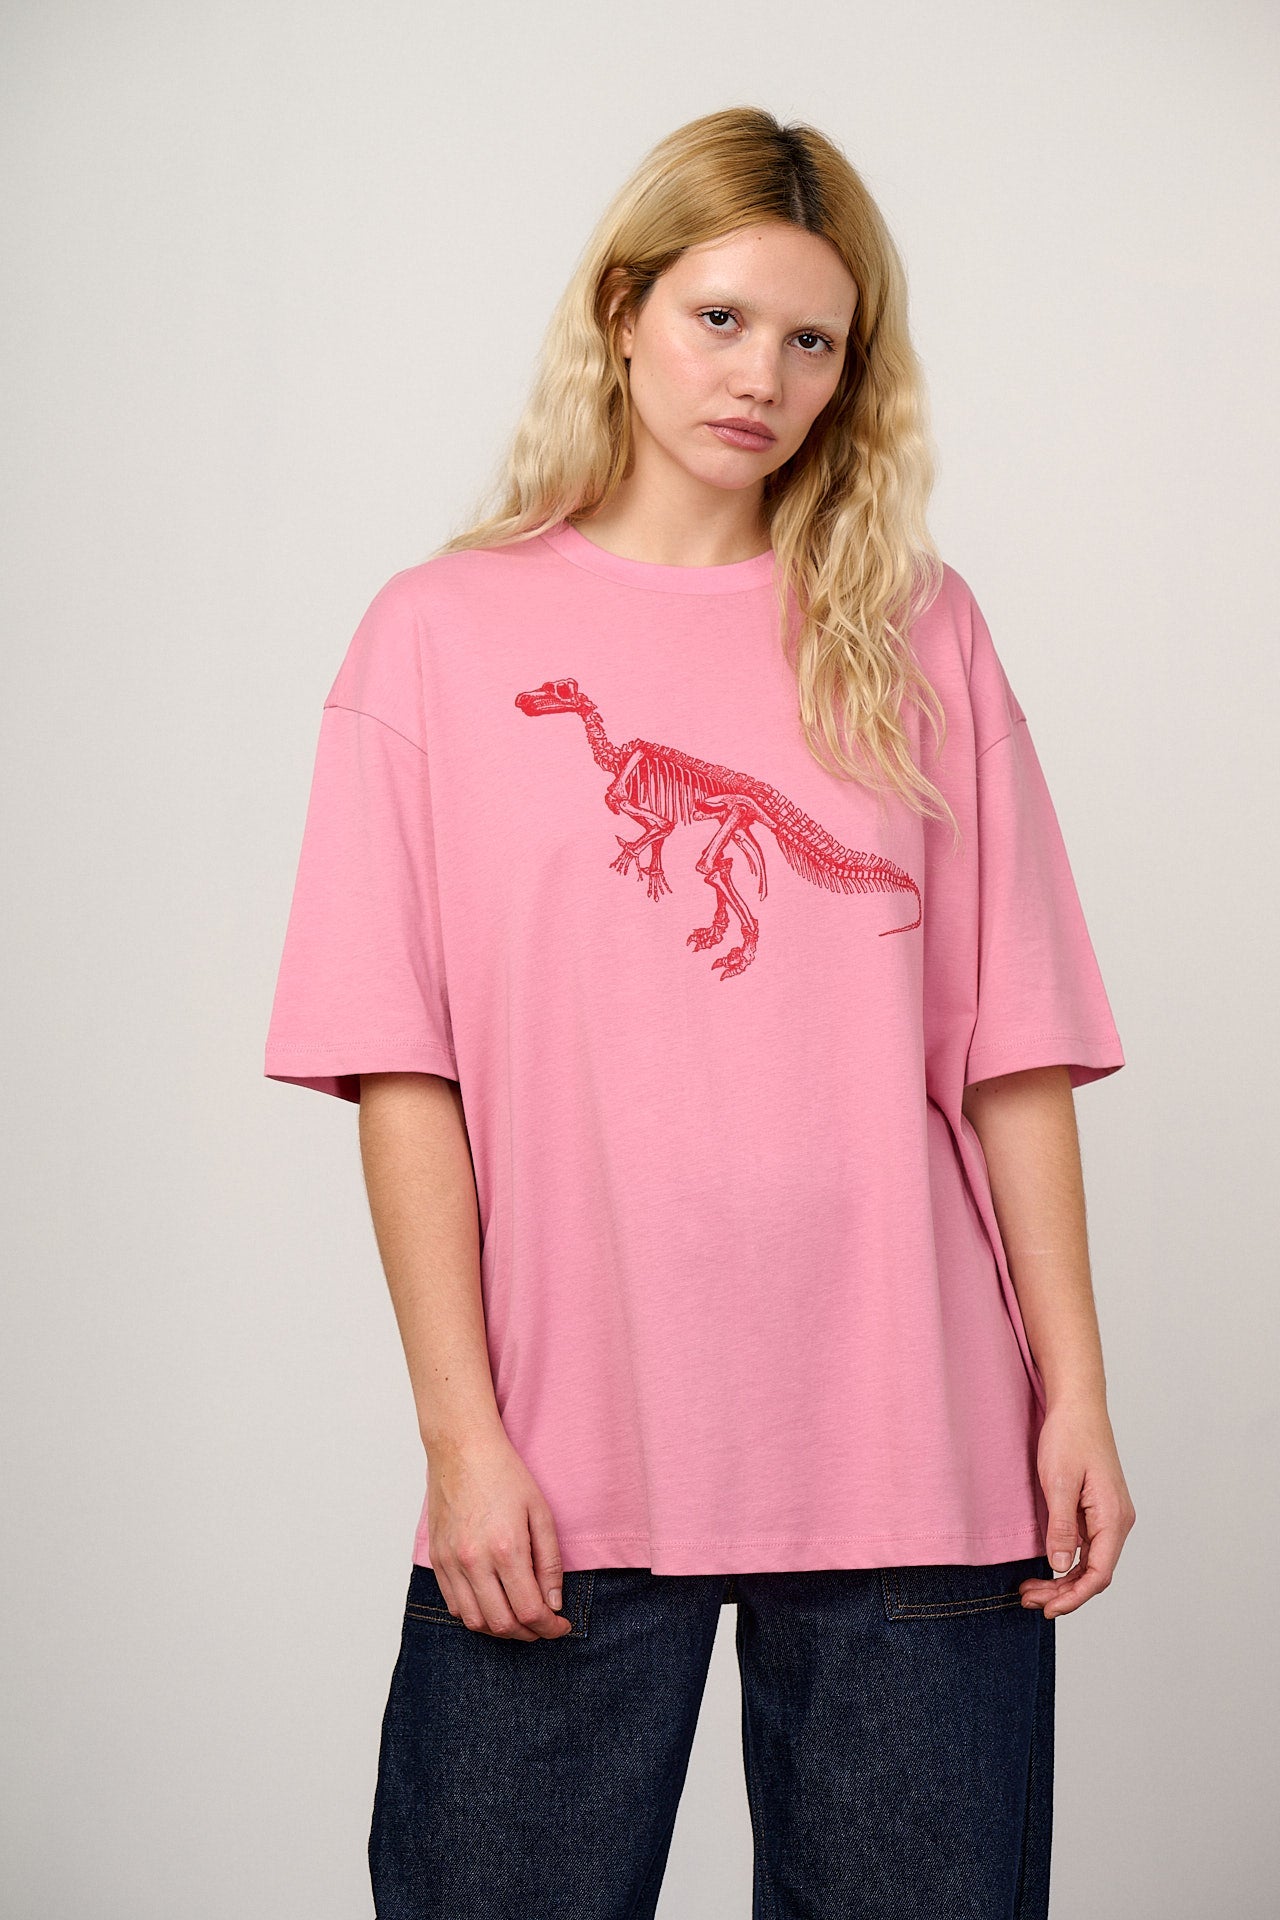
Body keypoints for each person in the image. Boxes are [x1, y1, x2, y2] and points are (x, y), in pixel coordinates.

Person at [263, 105, 1136, 1920]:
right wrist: (460, 1437)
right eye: (721, 319)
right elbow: (404, 1071)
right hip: (564, 1454)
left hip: (917, 1441)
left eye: (814, 340)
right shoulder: (436, 635)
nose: (762, 378)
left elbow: (1011, 1052)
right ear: (623, 311)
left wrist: (1078, 1394)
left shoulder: (917, 629)